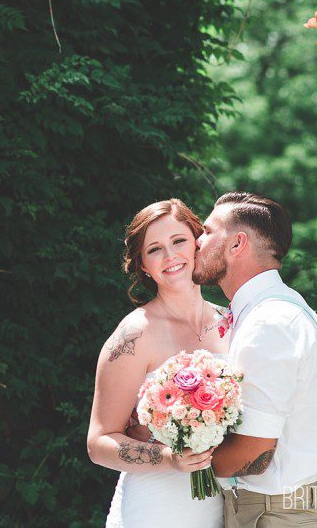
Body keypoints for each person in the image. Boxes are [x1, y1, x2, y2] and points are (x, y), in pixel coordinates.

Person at [193, 192, 317, 528]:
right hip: (287, 508)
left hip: (274, 515)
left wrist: (182, 460)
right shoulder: (291, 308)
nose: (196, 242)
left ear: (236, 245)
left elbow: (255, 455)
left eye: (207, 231)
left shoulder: (267, 323)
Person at [87, 199, 230, 527]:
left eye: (178, 241)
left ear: (198, 243)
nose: (170, 257)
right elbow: (99, 442)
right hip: (156, 507)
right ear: (143, 265)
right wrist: (170, 458)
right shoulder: (135, 335)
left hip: (223, 503)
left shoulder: (230, 322)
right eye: (155, 249)